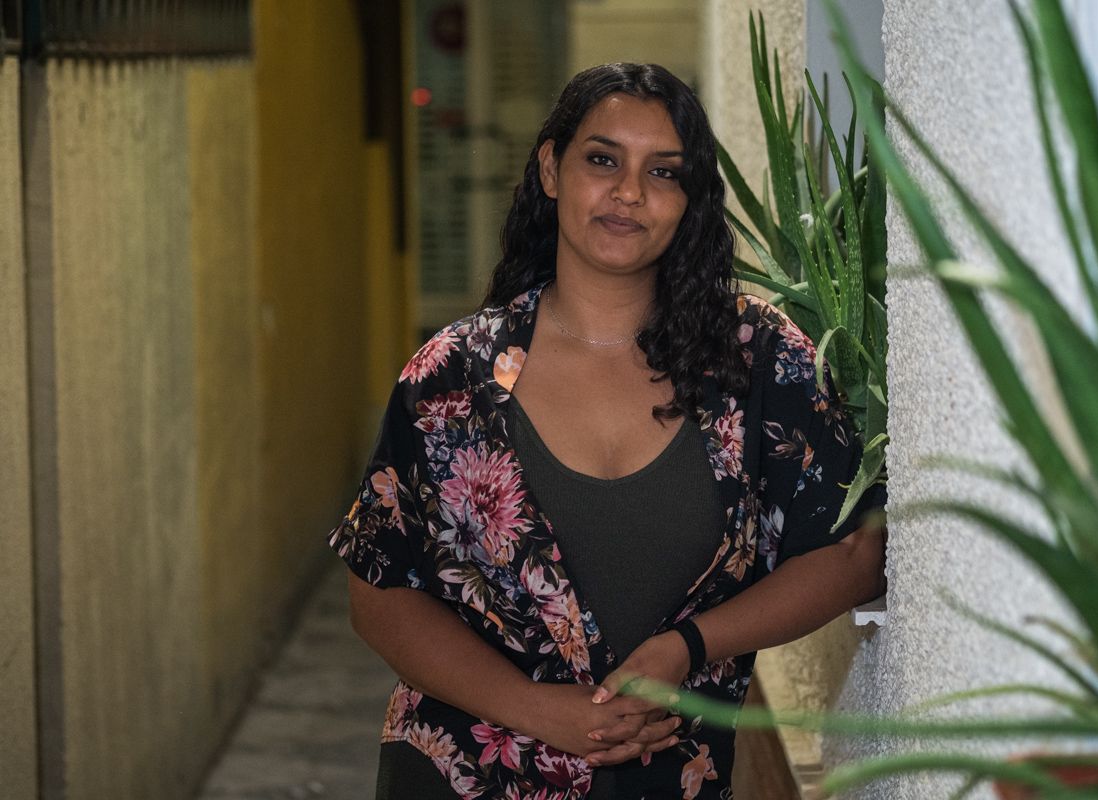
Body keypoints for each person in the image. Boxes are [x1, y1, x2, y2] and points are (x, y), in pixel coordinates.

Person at [329, 62, 886, 800]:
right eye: (602, 159)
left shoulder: (757, 361)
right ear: (551, 169)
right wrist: (534, 710)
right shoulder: (450, 379)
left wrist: (690, 648)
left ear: (689, 201)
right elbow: (380, 594)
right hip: (462, 777)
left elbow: (853, 551)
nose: (628, 192)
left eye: (664, 171)